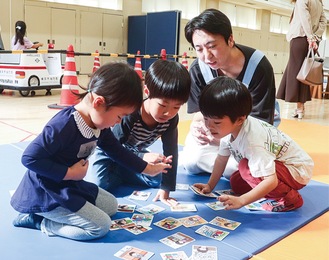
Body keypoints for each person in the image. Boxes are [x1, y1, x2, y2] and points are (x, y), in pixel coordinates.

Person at [10, 62, 171, 241]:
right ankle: (38, 221)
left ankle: (55, 213)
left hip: (70, 184)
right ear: (99, 102)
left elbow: (117, 151)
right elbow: (29, 158)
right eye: (120, 116)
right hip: (46, 192)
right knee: (100, 227)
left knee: (111, 206)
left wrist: (147, 168)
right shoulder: (62, 126)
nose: (119, 122)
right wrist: (69, 173)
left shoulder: (98, 124)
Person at [179, 8, 278, 178]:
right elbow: (198, 113)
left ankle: (234, 165)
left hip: (252, 130)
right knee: (191, 163)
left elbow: (261, 124)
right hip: (218, 128)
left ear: (230, 39)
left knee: (242, 169)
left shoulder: (258, 67)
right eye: (199, 49)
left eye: (212, 46)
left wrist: (222, 140)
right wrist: (199, 128)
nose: (207, 56)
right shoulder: (198, 69)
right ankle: (232, 165)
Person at [193, 76, 314, 212]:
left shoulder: (253, 141)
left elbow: (271, 181)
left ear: (239, 120)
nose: (209, 126)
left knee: (245, 167)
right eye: (205, 118)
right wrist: (210, 186)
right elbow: (221, 158)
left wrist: (242, 201)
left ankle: (290, 199)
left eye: (216, 122)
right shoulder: (228, 130)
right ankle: (270, 191)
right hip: (280, 165)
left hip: (296, 170)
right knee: (236, 181)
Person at [88, 59, 191, 206]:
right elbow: (113, 148)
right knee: (99, 186)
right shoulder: (131, 113)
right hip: (108, 152)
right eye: (162, 105)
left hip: (133, 154)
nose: (168, 113)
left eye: (177, 107)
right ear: (147, 92)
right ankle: (117, 170)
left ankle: (121, 171)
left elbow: (171, 152)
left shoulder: (170, 120)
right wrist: (142, 156)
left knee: (157, 178)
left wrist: (166, 189)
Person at [277, 0, 327, 119]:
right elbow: (323, 21)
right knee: (304, 73)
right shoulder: (319, 2)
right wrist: (315, 36)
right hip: (313, 41)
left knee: (296, 72)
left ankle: (299, 108)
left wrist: (310, 37)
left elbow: (305, 18)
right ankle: (300, 107)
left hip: (300, 38)